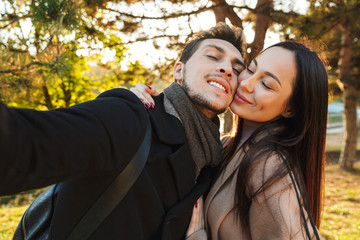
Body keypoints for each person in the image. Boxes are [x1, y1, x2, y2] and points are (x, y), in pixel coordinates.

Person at [0, 23, 247, 239]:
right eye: (213, 57)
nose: (227, 69)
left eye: (237, 70)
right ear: (179, 71)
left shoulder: (214, 166)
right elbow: (25, 143)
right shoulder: (131, 116)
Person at [131, 41, 328, 239]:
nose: (246, 83)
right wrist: (145, 104)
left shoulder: (270, 166)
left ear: (290, 109)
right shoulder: (224, 145)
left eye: (266, 84)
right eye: (250, 70)